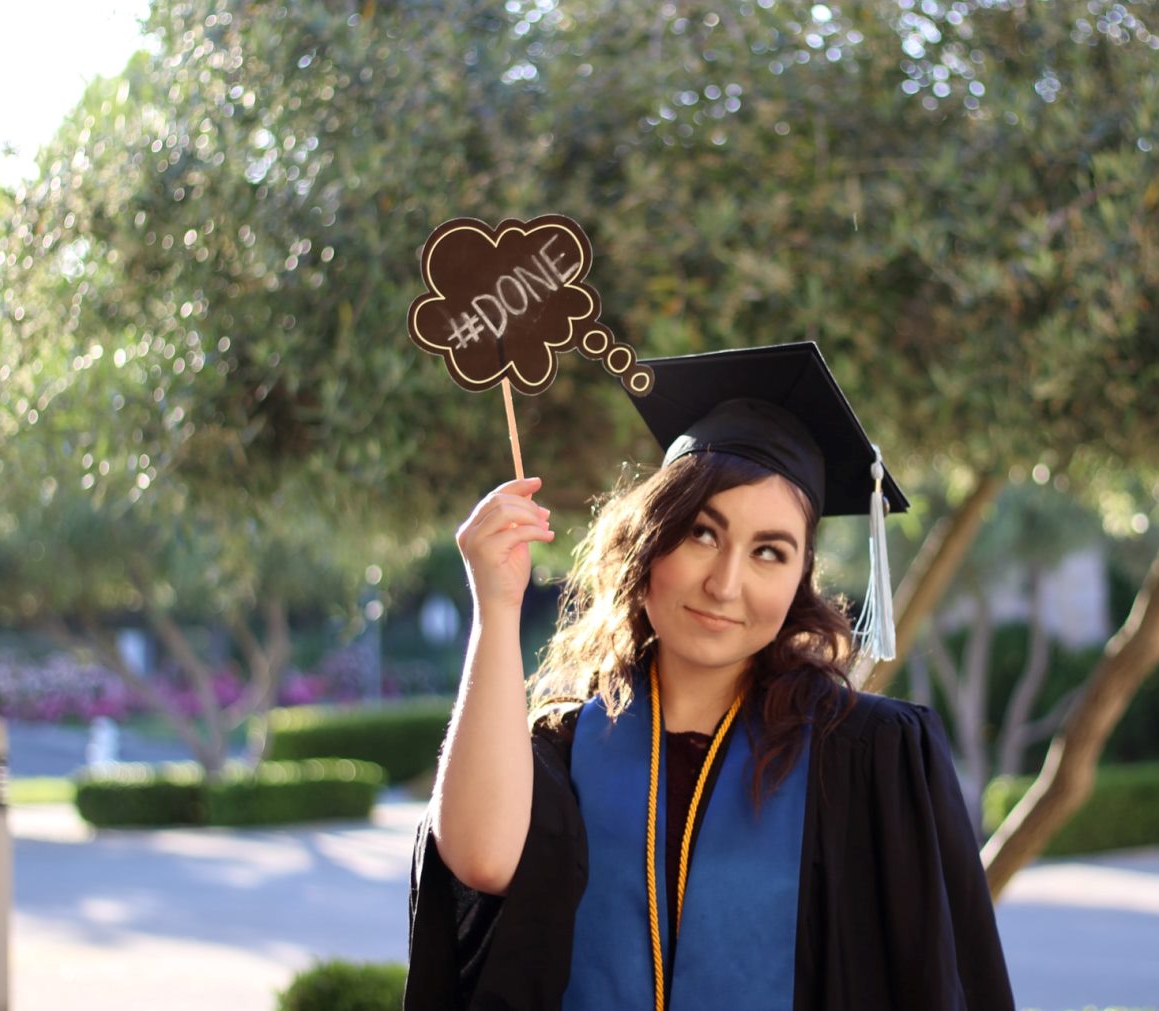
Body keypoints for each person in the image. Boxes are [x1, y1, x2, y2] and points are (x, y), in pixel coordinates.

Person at [404, 343, 1015, 1010]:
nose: (726, 583)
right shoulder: (566, 748)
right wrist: (495, 605)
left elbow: (937, 985)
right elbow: (481, 860)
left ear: (799, 581)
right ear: (649, 543)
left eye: (769, 552)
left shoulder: (868, 756)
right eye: (701, 532)